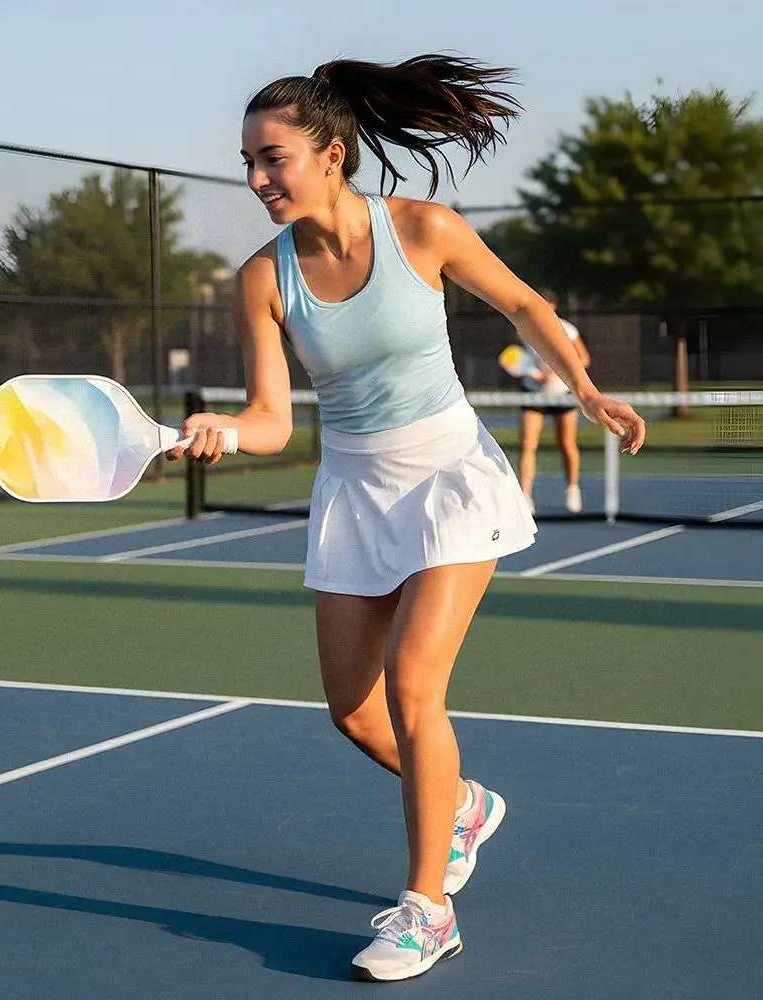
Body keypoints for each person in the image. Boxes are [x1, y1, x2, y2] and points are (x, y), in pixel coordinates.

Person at [168, 54, 645, 983]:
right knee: (353, 711)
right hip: (352, 486)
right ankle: (462, 805)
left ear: (333, 153)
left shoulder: (422, 228)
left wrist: (583, 389)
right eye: (248, 163)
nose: (259, 180)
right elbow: (273, 420)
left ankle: (428, 910)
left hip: (449, 475)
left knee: (413, 686)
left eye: (274, 159)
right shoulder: (261, 281)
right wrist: (225, 427)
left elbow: (521, 301)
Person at [516, 290, 591, 514]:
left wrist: (561, 374)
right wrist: (531, 373)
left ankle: (572, 489)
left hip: (563, 393)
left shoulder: (568, 330)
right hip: (534, 393)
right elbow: (522, 358)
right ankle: (525, 496)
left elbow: (584, 359)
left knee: (566, 443)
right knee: (528, 444)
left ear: (554, 305)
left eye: (546, 303)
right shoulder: (523, 328)